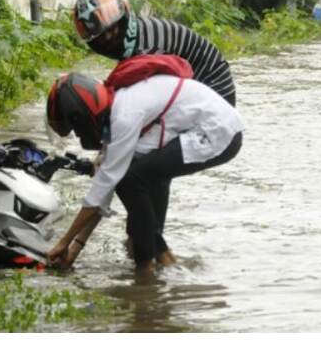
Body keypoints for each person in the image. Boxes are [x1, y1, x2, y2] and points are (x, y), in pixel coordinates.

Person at [45, 72, 244, 275]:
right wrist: (75, 248)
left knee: (130, 180)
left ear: (83, 117)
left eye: (76, 129)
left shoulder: (124, 116)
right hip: (202, 124)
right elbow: (103, 190)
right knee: (134, 182)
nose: (79, 135)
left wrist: (63, 243)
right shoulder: (117, 105)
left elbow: (102, 189)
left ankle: (149, 270)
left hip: (218, 131)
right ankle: (158, 261)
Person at [73, 0, 236, 106]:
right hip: (196, 85)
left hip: (214, 87)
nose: (108, 39)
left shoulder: (148, 48)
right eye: (102, 37)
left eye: (113, 31)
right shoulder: (138, 36)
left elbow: (154, 98)